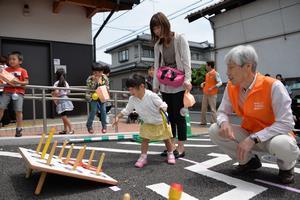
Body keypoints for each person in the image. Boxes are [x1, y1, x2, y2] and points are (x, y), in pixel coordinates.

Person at [209, 45, 300, 184]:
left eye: (231, 67)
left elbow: (287, 123)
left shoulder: (274, 86)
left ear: (247, 67)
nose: (227, 72)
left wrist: (253, 138)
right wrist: (224, 122)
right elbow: (222, 112)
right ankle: (248, 162)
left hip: (272, 137)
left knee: (284, 145)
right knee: (216, 130)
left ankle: (286, 167)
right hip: (249, 133)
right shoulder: (231, 86)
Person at [150, 12, 192, 158]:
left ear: (165, 25)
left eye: (158, 27)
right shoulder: (158, 45)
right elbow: (156, 65)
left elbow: (187, 61)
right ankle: (171, 146)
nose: (156, 31)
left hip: (180, 84)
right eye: (154, 29)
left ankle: (181, 148)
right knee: (168, 117)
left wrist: (188, 80)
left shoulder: (180, 39)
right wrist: (155, 86)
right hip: (166, 84)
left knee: (179, 116)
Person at [113, 74, 175, 168]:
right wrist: (118, 117)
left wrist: (162, 108)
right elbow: (127, 110)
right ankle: (143, 157)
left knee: (166, 139)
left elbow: (163, 105)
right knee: (145, 140)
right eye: (129, 89)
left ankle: (170, 153)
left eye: (132, 89)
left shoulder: (151, 95)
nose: (130, 92)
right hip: (146, 122)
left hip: (159, 122)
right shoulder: (132, 99)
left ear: (141, 86)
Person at [0, 51, 29, 137]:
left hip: (19, 92)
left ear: (20, 61)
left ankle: (19, 129)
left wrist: (18, 82)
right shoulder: (5, 70)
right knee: (1, 107)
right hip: (7, 91)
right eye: (10, 59)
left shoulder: (23, 70)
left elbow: (27, 82)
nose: (11, 61)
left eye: (14, 59)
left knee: (18, 111)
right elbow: (2, 80)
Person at [86, 63, 108, 134]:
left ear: (102, 71)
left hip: (102, 95)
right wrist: (95, 81)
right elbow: (89, 88)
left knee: (103, 110)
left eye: (100, 72)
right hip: (93, 96)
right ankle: (89, 126)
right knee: (94, 110)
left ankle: (104, 126)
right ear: (93, 72)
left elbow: (107, 86)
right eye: (95, 72)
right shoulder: (90, 78)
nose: (98, 74)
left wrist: (104, 86)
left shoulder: (104, 77)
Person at [200, 61, 222, 126]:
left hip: (212, 94)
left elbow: (220, 82)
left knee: (213, 109)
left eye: (206, 65)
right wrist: (204, 83)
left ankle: (214, 122)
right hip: (205, 93)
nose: (206, 67)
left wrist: (213, 87)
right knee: (203, 108)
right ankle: (203, 122)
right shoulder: (207, 74)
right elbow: (208, 82)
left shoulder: (216, 73)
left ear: (209, 66)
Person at [52, 69, 74, 134]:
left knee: (63, 116)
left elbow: (56, 92)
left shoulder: (56, 83)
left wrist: (53, 94)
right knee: (64, 115)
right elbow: (68, 91)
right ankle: (65, 129)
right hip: (66, 99)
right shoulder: (65, 82)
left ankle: (71, 128)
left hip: (60, 100)